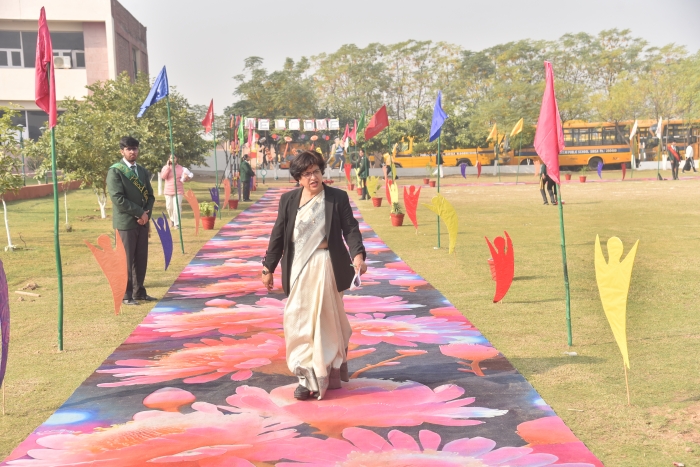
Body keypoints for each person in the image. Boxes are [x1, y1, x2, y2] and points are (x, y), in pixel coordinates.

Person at [262, 150, 366, 401]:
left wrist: (358, 255)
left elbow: (351, 229)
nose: (313, 177)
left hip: (326, 267)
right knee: (297, 320)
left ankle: (317, 376)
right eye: (307, 174)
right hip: (298, 268)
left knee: (323, 321)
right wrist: (268, 267)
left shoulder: (336, 198)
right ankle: (304, 373)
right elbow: (278, 235)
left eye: (316, 171)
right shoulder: (288, 200)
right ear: (298, 178)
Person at [106, 136, 156, 305]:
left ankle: (139, 292)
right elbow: (117, 198)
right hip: (126, 222)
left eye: (135, 148)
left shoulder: (141, 170)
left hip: (142, 222)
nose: (132, 152)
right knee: (125, 260)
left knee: (141, 259)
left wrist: (146, 214)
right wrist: (140, 213)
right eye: (129, 149)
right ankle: (126, 295)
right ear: (122, 151)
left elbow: (150, 196)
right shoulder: (115, 171)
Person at [160, 154, 193, 229]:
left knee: (177, 207)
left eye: (174, 158)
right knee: (169, 207)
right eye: (171, 158)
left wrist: (186, 178)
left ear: (176, 159)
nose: (173, 159)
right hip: (168, 190)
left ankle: (177, 223)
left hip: (178, 190)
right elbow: (163, 177)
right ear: (169, 159)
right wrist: (168, 167)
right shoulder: (165, 167)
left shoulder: (181, 168)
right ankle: (172, 219)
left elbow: (185, 179)